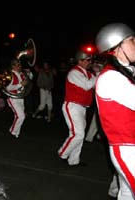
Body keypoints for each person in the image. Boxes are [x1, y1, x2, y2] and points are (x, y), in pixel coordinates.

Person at [95, 23, 135, 199]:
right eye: (132, 41)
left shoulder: (123, 73)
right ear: (116, 48)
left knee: (126, 194)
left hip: (129, 146)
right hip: (127, 148)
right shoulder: (111, 77)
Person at [57, 50, 97, 166]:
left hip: (82, 107)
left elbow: (95, 85)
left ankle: (74, 160)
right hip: (73, 106)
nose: (90, 62)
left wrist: (98, 74)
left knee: (77, 134)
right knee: (78, 134)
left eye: (90, 60)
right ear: (80, 61)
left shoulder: (89, 74)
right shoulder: (74, 72)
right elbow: (87, 85)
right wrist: (99, 74)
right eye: (88, 60)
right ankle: (62, 153)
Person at [5, 58, 28, 138]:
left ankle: (16, 133)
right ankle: (12, 131)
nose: (20, 66)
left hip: (21, 98)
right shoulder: (10, 75)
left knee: (18, 116)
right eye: (17, 65)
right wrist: (20, 84)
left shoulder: (21, 74)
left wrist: (29, 75)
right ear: (13, 66)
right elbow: (8, 88)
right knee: (21, 116)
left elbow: (29, 80)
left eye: (20, 65)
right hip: (13, 98)